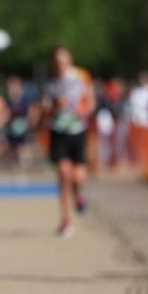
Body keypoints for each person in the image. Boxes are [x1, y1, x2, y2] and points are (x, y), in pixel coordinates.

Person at [42, 46, 95, 237]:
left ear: (70, 59)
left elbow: (91, 102)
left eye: (63, 61)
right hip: (58, 132)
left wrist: (84, 111)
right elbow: (45, 109)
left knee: (78, 177)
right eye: (57, 62)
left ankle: (79, 195)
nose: (60, 65)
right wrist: (55, 107)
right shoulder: (50, 83)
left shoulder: (82, 76)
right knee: (64, 175)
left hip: (78, 131)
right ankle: (66, 220)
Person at [4, 75, 37, 174]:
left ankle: (25, 171)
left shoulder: (25, 100)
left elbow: (32, 113)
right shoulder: (8, 101)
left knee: (23, 149)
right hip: (11, 129)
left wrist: (31, 124)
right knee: (12, 151)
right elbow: (5, 114)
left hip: (23, 128)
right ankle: (15, 172)